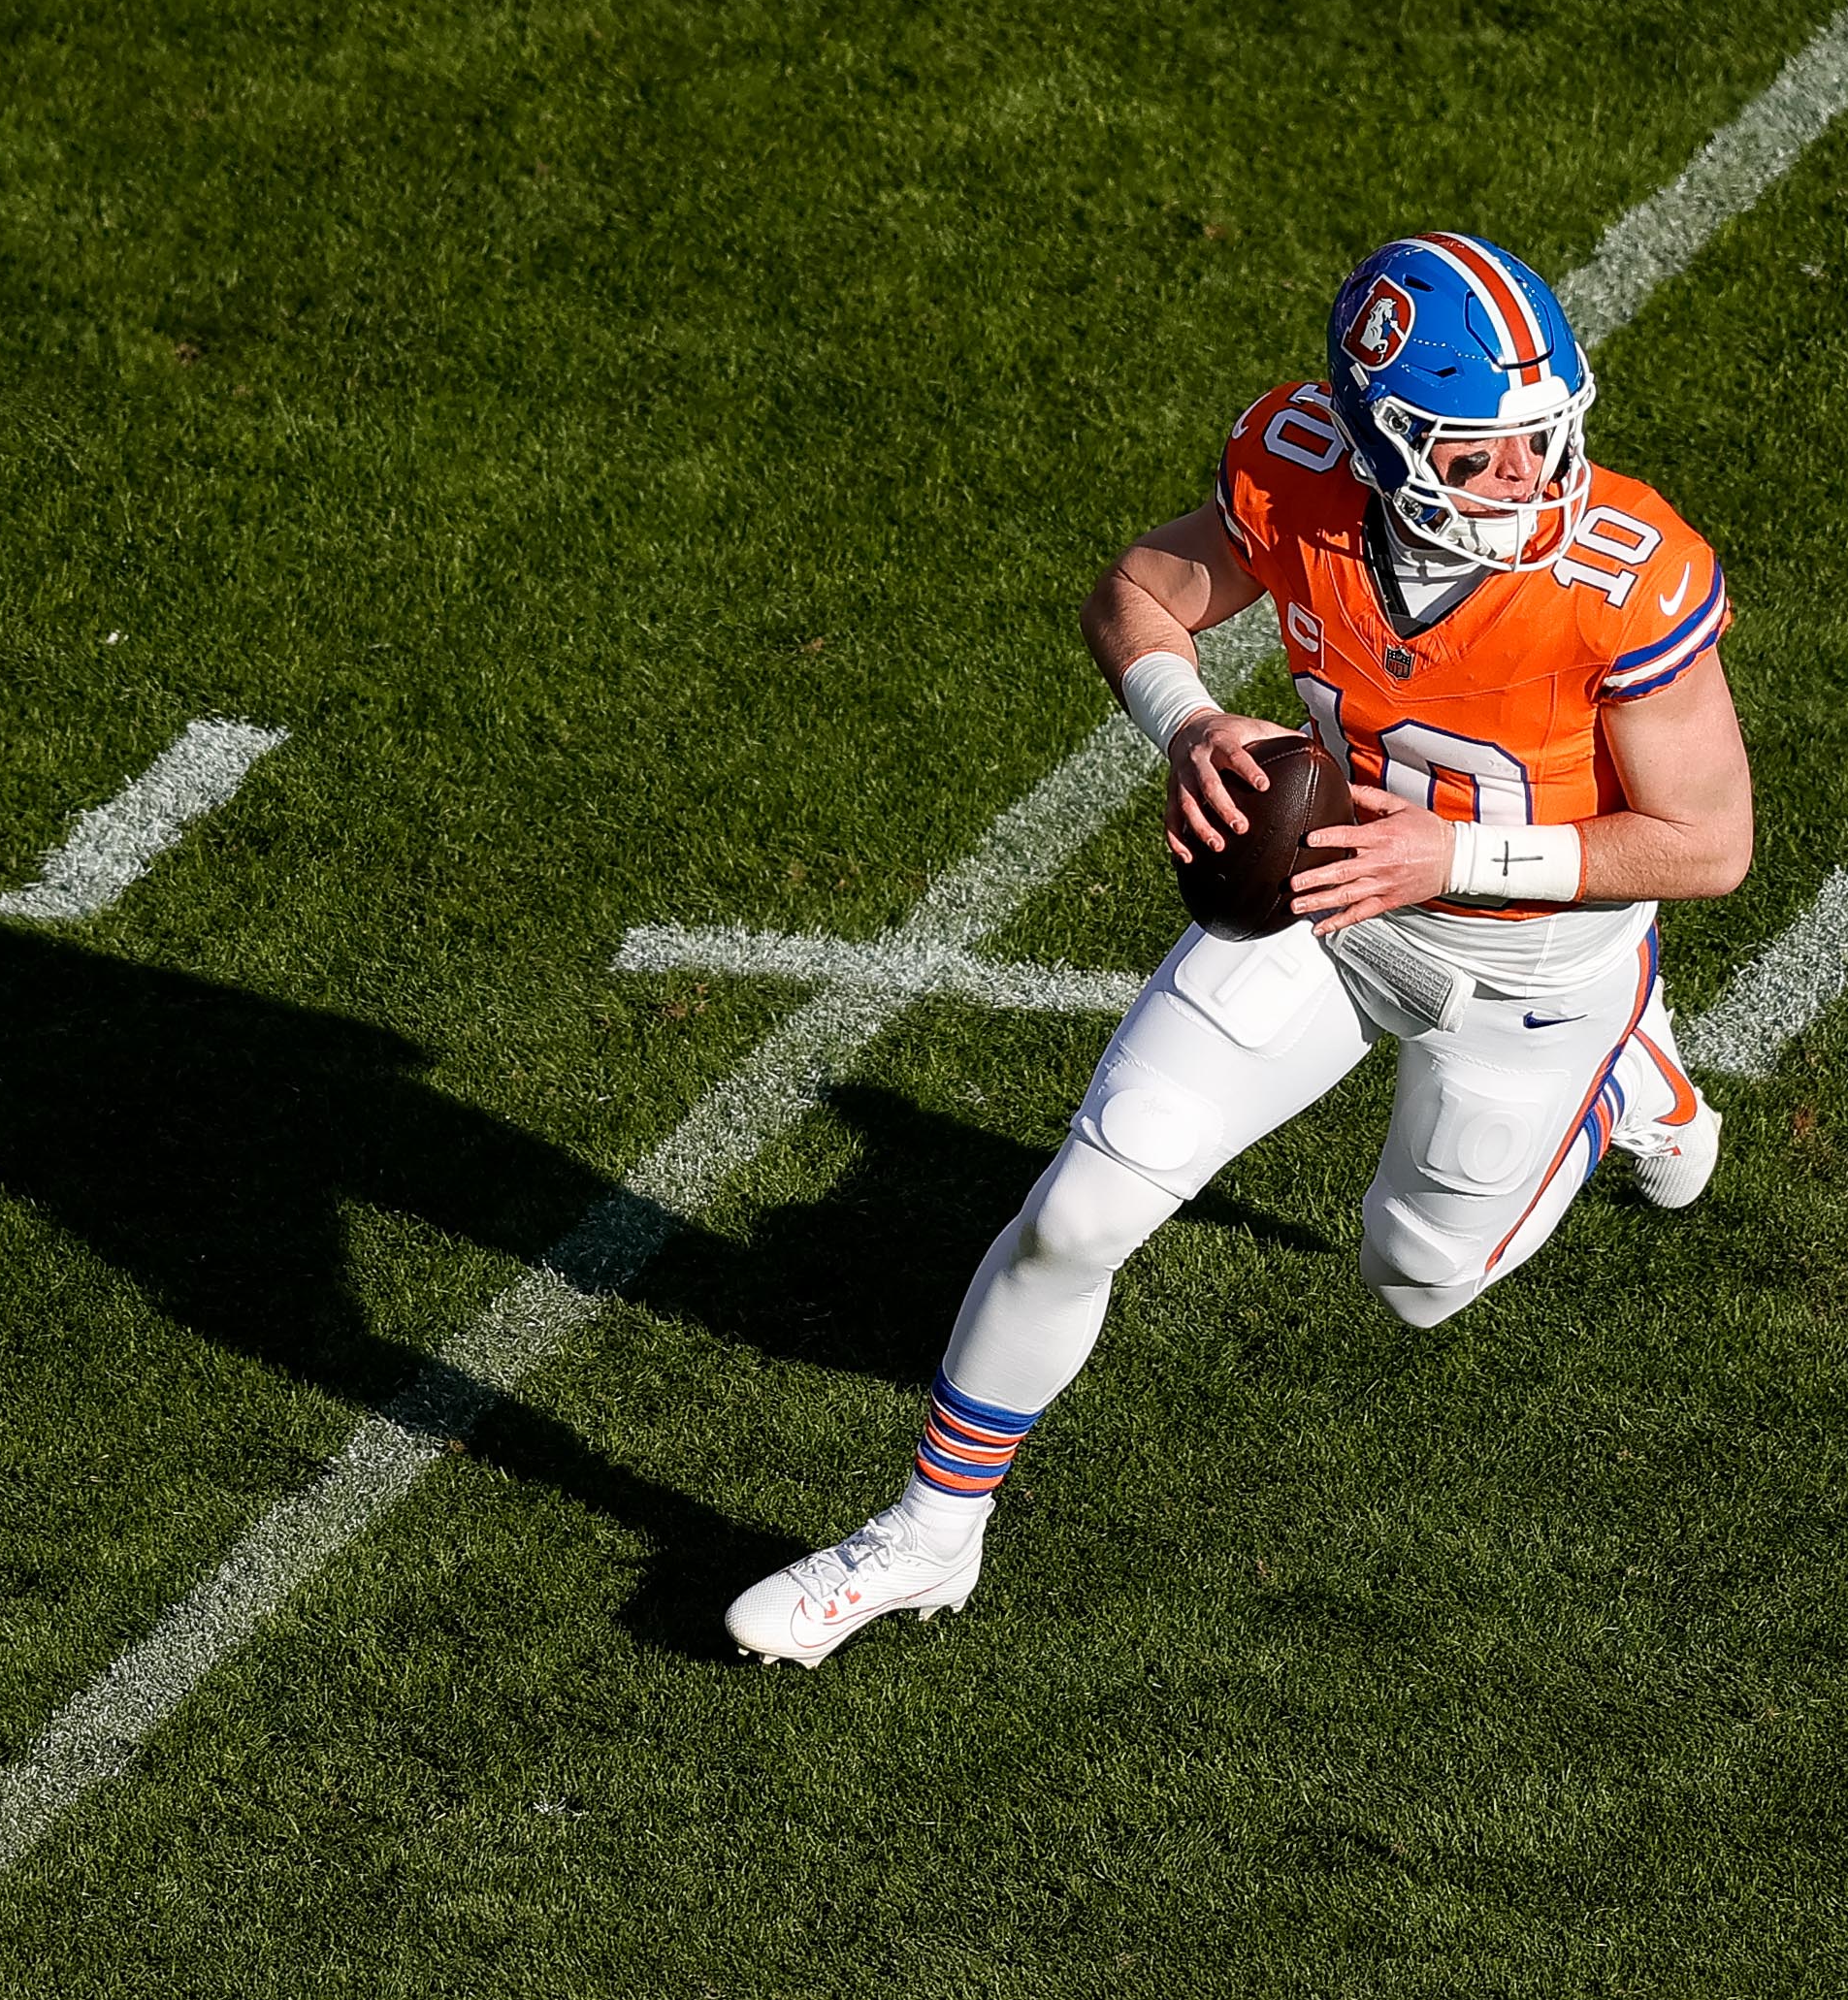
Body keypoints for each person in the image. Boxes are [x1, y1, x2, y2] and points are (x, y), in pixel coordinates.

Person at [727, 231, 1757, 1666]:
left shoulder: (1624, 575)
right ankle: (925, 1536)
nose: (1528, 479)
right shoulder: (1300, 467)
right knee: (1080, 1209)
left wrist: (1452, 856)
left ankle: (1624, 1080)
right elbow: (1135, 597)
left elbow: (1708, 845)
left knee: (1416, 1282)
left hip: (1530, 966)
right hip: (1325, 908)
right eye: (1477, 454)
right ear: (1379, 442)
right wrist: (1191, 721)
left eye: (1544, 437)